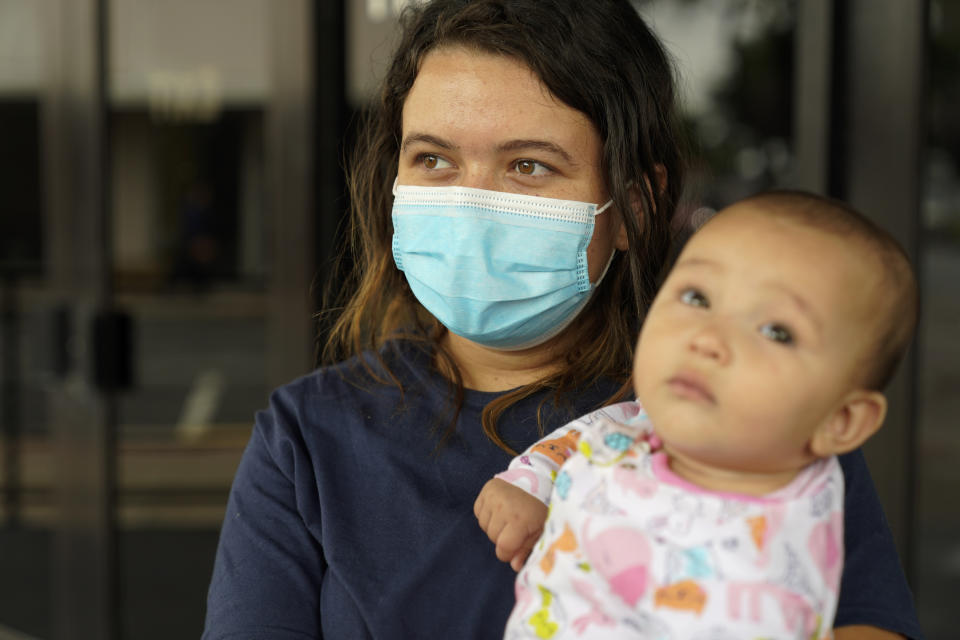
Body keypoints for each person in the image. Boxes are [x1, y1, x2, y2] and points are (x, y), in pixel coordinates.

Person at [201, 1, 924, 638]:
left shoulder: (755, 419)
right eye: (433, 159)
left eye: (528, 166)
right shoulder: (308, 441)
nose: (472, 203)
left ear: (635, 209)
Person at [474, 191, 918, 638]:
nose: (708, 338)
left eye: (775, 330)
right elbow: (579, 441)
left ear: (839, 421)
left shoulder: (782, 542)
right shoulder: (636, 424)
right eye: (697, 297)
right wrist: (529, 485)